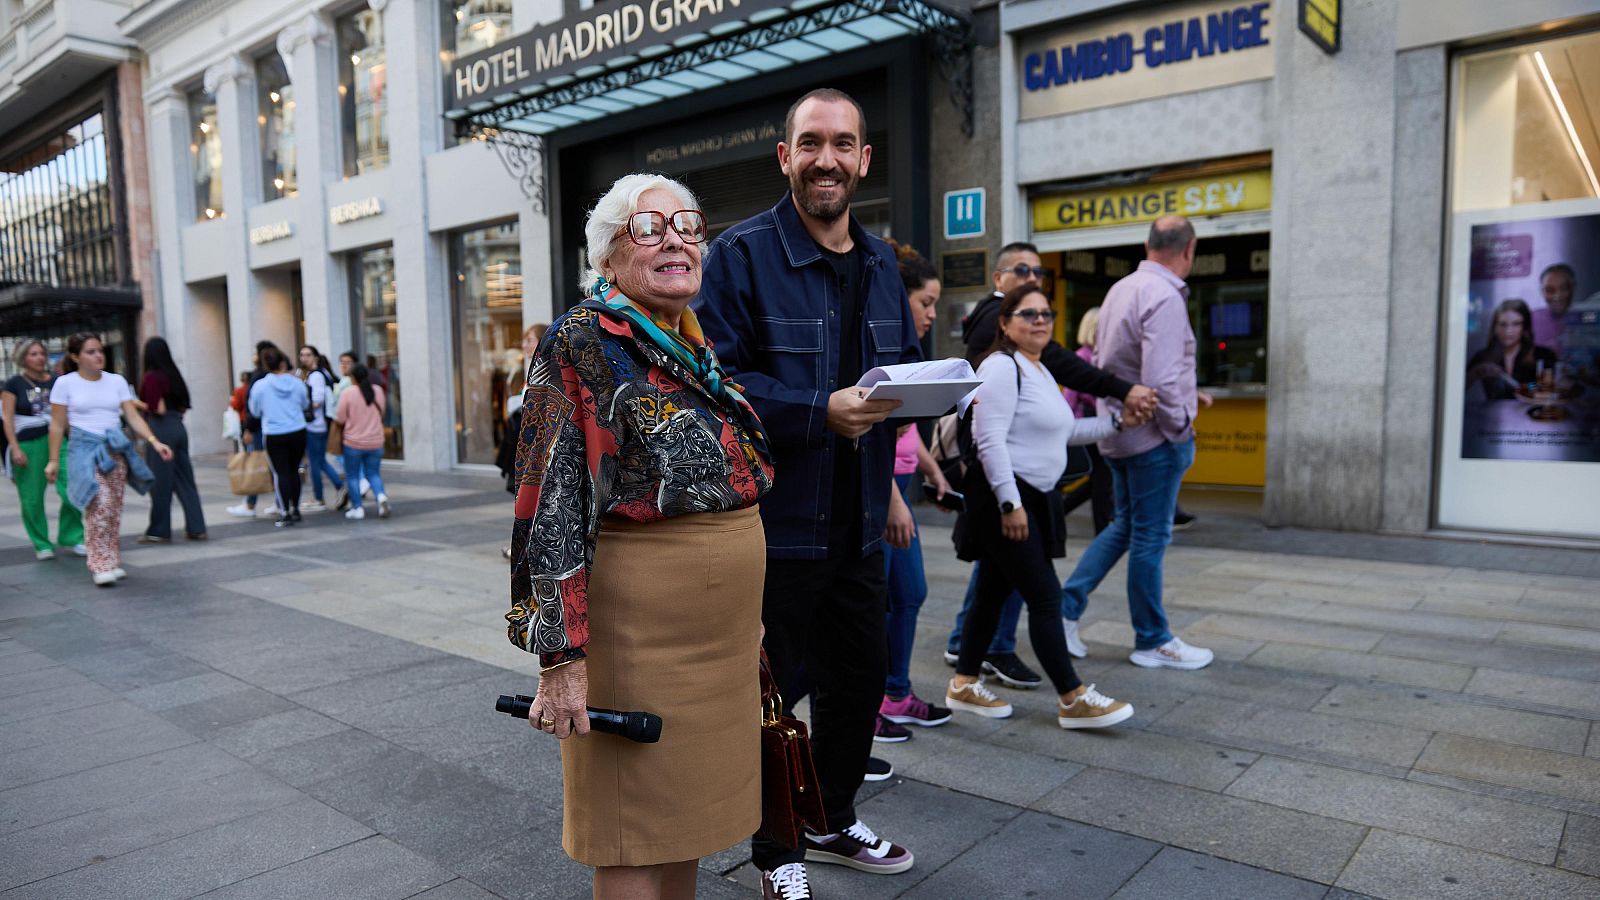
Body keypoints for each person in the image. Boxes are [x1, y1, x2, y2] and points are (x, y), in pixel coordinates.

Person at [507, 173, 774, 900]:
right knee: (629, 832)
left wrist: (745, 616)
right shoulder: (582, 340)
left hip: (714, 645)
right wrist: (559, 658)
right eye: (648, 227)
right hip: (638, 637)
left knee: (683, 822)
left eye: (687, 224)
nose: (676, 238)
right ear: (609, 255)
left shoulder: (687, 341)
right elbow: (547, 502)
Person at [695, 88, 920, 899]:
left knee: (857, 686)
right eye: (811, 142)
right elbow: (713, 384)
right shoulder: (742, 255)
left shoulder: (883, 263)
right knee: (772, 700)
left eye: (844, 143)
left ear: (864, 160)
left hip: (859, 526)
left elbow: (899, 374)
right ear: (786, 156)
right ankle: (775, 848)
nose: (828, 158)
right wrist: (817, 411)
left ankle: (833, 815)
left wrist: (924, 419)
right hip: (777, 527)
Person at [943, 243, 1159, 688]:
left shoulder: (1038, 368)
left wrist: (1118, 422)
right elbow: (989, 439)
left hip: (1036, 496)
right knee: (1044, 597)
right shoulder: (1004, 366)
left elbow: (1064, 431)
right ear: (1005, 321)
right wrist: (1010, 505)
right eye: (1029, 314)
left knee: (992, 592)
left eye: (1046, 314)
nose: (1040, 320)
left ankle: (964, 683)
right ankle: (1072, 694)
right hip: (1011, 497)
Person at [1059, 216, 1214, 670]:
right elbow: (1162, 379)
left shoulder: (1121, 289)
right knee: (1149, 535)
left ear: (1148, 244)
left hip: (1122, 433)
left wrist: (1188, 394)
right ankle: (1152, 639)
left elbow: (1117, 365)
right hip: (1154, 439)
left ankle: (1067, 608)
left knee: (1125, 526)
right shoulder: (1165, 296)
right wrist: (1180, 422)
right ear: (1189, 249)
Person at [875, 242, 954, 743]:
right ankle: (867, 707)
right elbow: (867, 439)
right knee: (876, 603)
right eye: (925, 303)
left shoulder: (905, 350)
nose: (930, 314)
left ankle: (895, 693)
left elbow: (904, 433)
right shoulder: (878, 342)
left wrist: (932, 470)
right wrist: (894, 500)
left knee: (909, 593)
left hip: (900, 486)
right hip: (883, 494)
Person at [45, 332, 168, 586]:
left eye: (99, 350)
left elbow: (132, 417)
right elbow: (57, 426)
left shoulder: (116, 381)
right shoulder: (65, 384)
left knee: (113, 507)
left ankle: (111, 559)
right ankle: (99, 563)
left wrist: (154, 442)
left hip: (115, 449)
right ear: (75, 357)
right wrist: (53, 460)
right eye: (90, 351)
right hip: (83, 450)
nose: (98, 355)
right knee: (99, 504)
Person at [3, 339, 84, 560]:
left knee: (72, 490)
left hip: (59, 441)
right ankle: (41, 543)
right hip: (28, 443)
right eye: (33, 354)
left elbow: (67, 414)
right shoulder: (14, 384)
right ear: (23, 358)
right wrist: (14, 448)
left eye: (41, 353)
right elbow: (8, 419)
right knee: (31, 497)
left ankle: (72, 536)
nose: (40, 358)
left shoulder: (58, 381)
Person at [135, 337, 207, 543]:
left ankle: (159, 530)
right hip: (179, 427)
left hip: (161, 428)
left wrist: (133, 402)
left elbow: (157, 408)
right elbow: (183, 406)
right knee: (186, 480)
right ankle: (196, 527)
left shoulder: (152, 377)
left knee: (160, 483)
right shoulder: (173, 374)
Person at [1060, 307, 1114, 535]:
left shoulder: (1097, 356)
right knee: (1103, 474)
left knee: (1098, 478)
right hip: (1085, 426)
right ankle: (1103, 529)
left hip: (1095, 424)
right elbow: (1071, 397)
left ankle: (1061, 509)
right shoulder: (1082, 357)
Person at [247, 346, 309, 528]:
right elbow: (305, 403)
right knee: (294, 470)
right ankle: (296, 508)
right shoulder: (297, 383)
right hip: (297, 429)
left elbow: (255, 411)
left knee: (280, 472)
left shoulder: (260, 386)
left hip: (274, 432)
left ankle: (285, 512)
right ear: (283, 363)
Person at [227, 341, 281, 518]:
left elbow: (253, 408)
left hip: (260, 428)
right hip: (274, 427)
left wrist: (248, 429)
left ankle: (250, 504)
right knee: (275, 466)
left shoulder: (259, 378)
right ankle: (280, 502)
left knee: (254, 463)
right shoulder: (277, 377)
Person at [1467, 299, 1559, 400]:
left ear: (1525, 328)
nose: (1509, 331)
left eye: (1516, 324)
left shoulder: (1544, 355)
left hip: (1532, 413)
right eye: (1503, 324)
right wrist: (1476, 372)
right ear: (1495, 328)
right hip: (1493, 414)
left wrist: (1527, 387)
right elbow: (1457, 388)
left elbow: (1552, 384)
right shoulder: (1482, 357)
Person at [335, 364, 390, 520]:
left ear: (352, 378)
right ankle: (381, 497)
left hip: (354, 442)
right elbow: (382, 412)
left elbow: (340, 417)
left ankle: (357, 508)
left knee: (352, 476)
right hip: (376, 441)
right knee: (373, 473)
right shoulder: (378, 391)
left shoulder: (348, 393)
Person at [297, 345, 346, 512]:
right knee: (320, 461)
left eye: (308, 355)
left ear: (316, 357)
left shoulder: (316, 375)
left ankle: (319, 498)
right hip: (321, 424)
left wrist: (301, 407)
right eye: (302, 355)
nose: (304, 358)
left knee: (315, 463)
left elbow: (317, 401)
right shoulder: (322, 373)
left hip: (315, 425)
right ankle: (339, 487)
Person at [1531, 263, 1575, 355]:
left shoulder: (1588, 317)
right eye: (1550, 290)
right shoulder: (1532, 319)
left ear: (1573, 288)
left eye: (1564, 289)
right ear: (1542, 291)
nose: (1557, 296)